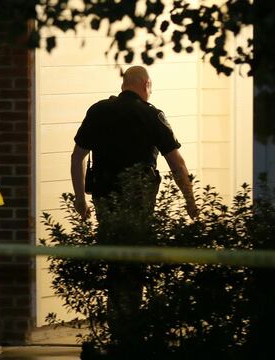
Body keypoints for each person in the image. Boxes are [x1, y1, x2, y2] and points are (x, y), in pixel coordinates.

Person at [70, 65, 197, 344]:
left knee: (114, 259)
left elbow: (77, 156)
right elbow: (177, 163)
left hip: (105, 199)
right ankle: (132, 325)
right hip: (139, 202)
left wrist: (80, 198)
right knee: (136, 259)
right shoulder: (152, 115)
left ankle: (116, 322)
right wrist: (190, 200)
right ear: (146, 84)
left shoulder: (98, 111)